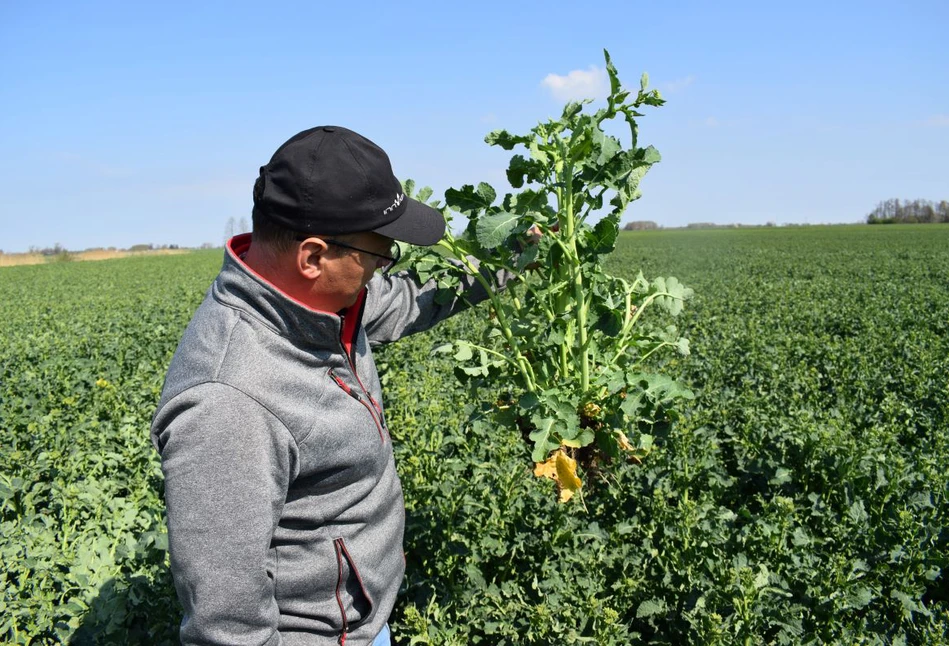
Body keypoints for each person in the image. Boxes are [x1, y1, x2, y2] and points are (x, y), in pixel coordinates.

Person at [150, 126, 503, 645]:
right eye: (377, 255)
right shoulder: (230, 402)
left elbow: (410, 299)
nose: (383, 270)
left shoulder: (324, 305)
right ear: (312, 257)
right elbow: (227, 625)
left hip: (361, 619)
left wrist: (504, 262)